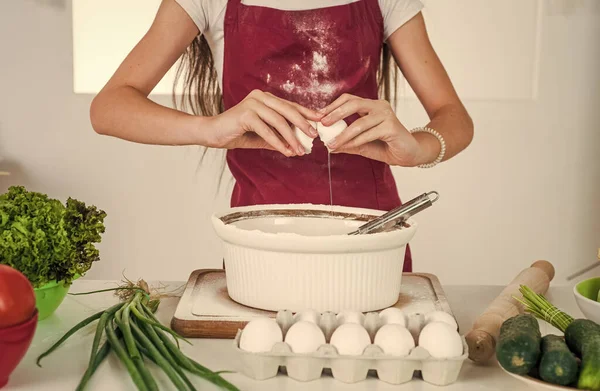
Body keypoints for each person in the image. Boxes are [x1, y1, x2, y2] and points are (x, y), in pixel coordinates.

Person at [90, 0, 474, 272]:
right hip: (261, 239)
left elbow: (455, 118)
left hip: (372, 236)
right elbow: (109, 109)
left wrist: (417, 149)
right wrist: (212, 128)